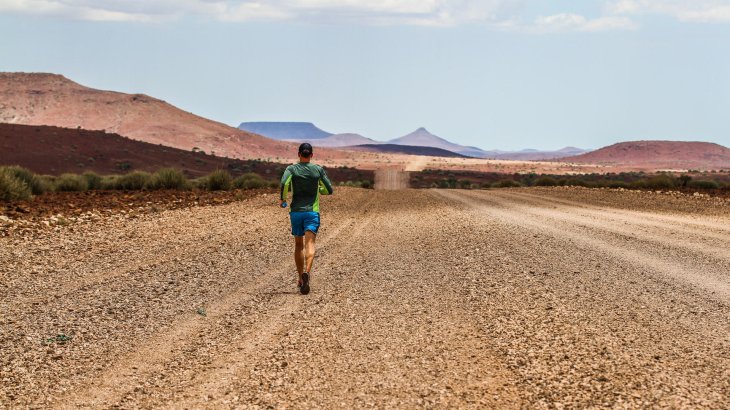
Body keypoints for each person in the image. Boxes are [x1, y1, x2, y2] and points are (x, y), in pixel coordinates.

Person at [280, 143, 334, 295]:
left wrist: (283, 199)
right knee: (310, 243)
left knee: (298, 245)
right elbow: (329, 189)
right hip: (312, 212)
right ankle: (307, 273)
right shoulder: (318, 169)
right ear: (311, 155)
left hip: (296, 212)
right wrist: (319, 189)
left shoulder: (291, 169)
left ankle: (300, 277)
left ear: (299, 154)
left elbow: (284, 183)